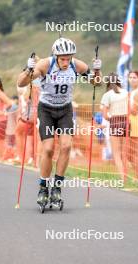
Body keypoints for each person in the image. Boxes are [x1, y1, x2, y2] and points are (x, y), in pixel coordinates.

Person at [17, 37, 102, 206]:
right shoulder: (45, 65)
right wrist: (29, 69)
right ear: (56, 56)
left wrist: (97, 71)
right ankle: (43, 187)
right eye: (62, 59)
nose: (65, 62)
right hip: (46, 110)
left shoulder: (77, 65)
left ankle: (57, 187)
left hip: (65, 110)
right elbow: (21, 82)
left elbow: (96, 84)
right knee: (48, 149)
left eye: (68, 58)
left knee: (66, 146)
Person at [101, 72, 128, 179]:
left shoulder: (107, 95)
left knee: (116, 153)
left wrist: (111, 118)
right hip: (126, 121)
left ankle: (123, 177)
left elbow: (105, 115)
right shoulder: (126, 92)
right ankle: (126, 175)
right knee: (125, 152)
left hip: (115, 122)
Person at [0, 76, 13, 159]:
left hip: (0, 120)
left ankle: (2, 156)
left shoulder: (0, 93)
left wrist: (4, 111)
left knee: (0, 139)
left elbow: (10, 103)